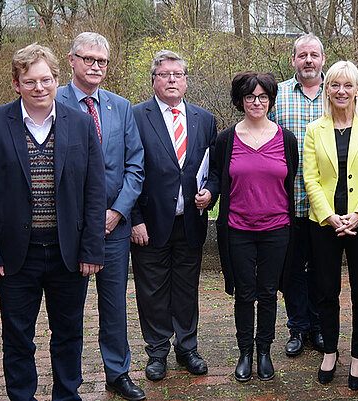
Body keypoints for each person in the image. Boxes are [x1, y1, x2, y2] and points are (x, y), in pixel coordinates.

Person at [0, 43, 107, 401]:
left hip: (68, 254)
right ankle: (22, 396)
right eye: (30, 81)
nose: (39, 88)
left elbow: (94, 191)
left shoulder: (81, 123)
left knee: (69, 333)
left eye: (46, 80)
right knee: (16, 337)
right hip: (15, 256)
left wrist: (92, 248)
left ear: (57, 79)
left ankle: (66, 395)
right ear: (16, 84)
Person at [55, 32, 146, 401]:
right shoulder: (50, 99)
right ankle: (69, 381)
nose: (95, 66)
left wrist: (117, 211)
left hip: (113, 227)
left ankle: (118, 372)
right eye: (88, 59)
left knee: (114, 306)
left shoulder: (119, 106)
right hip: (67, 229)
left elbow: (135, 166)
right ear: (72, 60)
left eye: (102, 61)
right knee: (68, 311)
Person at [130, 50, 218, 381]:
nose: (171, 80)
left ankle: (187, 348)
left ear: (185, 80)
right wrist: (135, 218)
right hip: (149, 224)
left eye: (177, 74)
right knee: (151, 291)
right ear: (153, 80)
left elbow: (215, 169)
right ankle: (156, 351)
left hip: (190, 222)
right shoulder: (136, 116)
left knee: (185, 289)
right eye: (164, 74)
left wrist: (211, 192)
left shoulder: (204, 119)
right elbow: (130, 172)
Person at [303, 60, 358, 391]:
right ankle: (329, 351)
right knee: (326, 290)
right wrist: (328, 215)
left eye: (348, 85)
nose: (341, 91)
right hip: (324, 223)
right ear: (327, 90)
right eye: (335, 85)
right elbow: (310, 177)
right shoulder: (314, 129)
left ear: (357, 90)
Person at [211, 71, 298, 382]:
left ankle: (264, 351)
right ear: (240, 101)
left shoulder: (286, 139)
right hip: (238, 229)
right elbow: (216, 178)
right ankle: (245, 351)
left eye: (263, 96)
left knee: (269, 293)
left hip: (277, 229)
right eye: (250, 97)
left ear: (271, 100)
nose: (257, 102)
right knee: (245, 294)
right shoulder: (226, 139)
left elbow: (289, 181)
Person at [267, 33, 327, 357]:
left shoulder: (336, 94)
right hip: (286, 201)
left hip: (326, 203)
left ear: (322, 59)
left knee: (320, 268)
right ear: (293, 60)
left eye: (313, 55)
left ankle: (318, 326)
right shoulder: (278, 96)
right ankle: (297, 327)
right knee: (291, 269)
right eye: (302, 55)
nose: (308, 60)